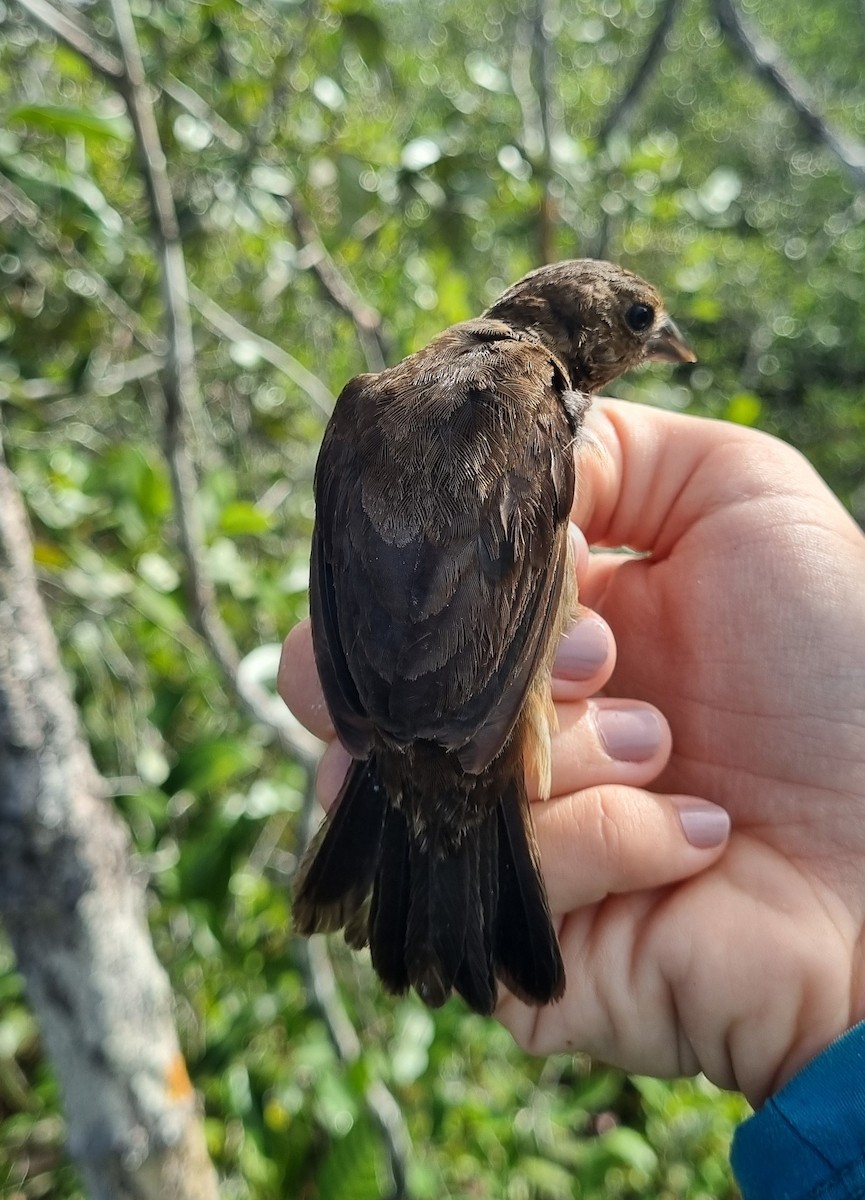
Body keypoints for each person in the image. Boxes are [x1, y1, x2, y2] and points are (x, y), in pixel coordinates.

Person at [279, 397, 865, 1199]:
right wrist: (820, 1013)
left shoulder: (523, 414)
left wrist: (829, 1000)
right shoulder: (488, 403)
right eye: (637, 324)